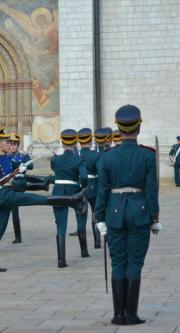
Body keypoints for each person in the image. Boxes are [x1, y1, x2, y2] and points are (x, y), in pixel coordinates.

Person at [0, 128, 87, 272]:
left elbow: (15, 168)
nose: (9, 144)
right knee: (36, 199)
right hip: (4, 195)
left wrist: (20, 168)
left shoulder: (8, 158)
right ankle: (70, 200)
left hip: (8, 194)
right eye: (6, 142)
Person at [94, 104, 160, 325]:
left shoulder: (108, 157)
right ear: (138, 127)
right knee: (135, 263)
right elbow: (151, 190)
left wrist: (99, 218)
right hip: (140, 212)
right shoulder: (148, 155)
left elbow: (102, 190)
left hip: (114, 212)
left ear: (119, 129)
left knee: (118, 263)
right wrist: (154, 218)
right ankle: (131, 314)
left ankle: (117, 315)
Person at [50, 129, 89, 267]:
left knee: (61, 225)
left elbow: (54, 168)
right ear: (76, 142)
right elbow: (84, 177)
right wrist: (82, 186)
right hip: (73, 191)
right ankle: (84, 250)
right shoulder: (78, 159)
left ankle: (61, 259)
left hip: (58, 191)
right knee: (81, 213)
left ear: (62, 141)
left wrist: (56, 158)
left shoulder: (56, 159)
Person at [77, 128, 102, 249]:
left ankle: (83, 248)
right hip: (93, 186)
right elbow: (100, 172)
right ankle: (97, 241)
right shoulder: (95, 155)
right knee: (95, 213)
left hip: (79, 188)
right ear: (91, 140)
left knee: (81, 215)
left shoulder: (76, 155)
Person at [9, 132, 33, 244]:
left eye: (15, 144)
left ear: (18, 145)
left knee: (14, 210)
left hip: (19, 183)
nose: (13, 146)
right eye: (11, 144)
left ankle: (18, 236)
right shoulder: (6, 157)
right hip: (8, 183)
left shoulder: (23, 156)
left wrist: (24, 165)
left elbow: (31, 166)